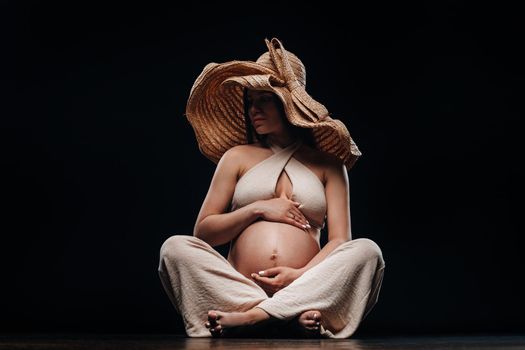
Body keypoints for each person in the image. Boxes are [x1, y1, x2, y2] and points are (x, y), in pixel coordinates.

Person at [158, 38, 386, 338]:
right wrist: (258, 208)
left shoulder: (329, 164)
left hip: (303, 282)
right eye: (250, 101)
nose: (254, 109)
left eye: (264, 99)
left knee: (368, 252)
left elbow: (340, 241)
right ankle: (285, 314)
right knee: (174, 248)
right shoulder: (237, 157)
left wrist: (299, 275)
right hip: (240, 283)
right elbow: (204, 232)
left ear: (288, 102)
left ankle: (256, 316)